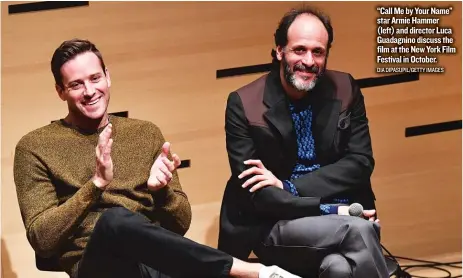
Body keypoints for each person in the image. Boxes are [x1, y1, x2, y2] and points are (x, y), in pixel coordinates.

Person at [13, 38, 303, 278]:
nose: (90, 91)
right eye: (76, 84)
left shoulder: (145, 133)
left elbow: (181, 224)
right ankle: (250, 272)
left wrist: (161, 191)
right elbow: (42, 239)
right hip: (99, 268)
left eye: (95, 78)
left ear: (108, 76)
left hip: (155, 263)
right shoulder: (35, 147)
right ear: (60, 91)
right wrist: (96, 184)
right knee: (114, 221)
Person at [218, 6, 390, 278]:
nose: (309, 61)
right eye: (299, 50)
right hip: (274, 223)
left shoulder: (346, 89)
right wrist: (335, 209)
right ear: (279, 51)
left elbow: (360, 163)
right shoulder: (244, 104)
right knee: (358, 230)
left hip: (339, 217)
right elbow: (259, 194)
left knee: (339, 269)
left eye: (318, 52)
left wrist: (290, 186)